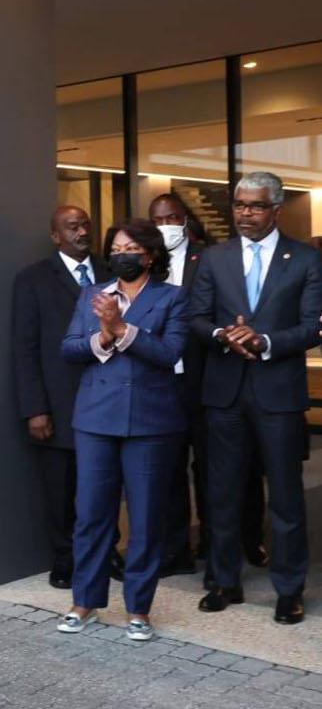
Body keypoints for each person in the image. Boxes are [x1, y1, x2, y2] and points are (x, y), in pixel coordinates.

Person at [190, 171, 322, 626]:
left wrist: (264, 340)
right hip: (225, 393)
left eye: (255, 206)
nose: (245, 213)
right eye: (239, 204)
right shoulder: (213, 258)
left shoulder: (305, 259)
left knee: (285, 497)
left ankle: (289, 590)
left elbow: (311, 327)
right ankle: (223, 581)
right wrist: (224, 335)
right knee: (222, 494)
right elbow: (196, 317)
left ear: (276, 209)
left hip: (278, 394)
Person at [57, 219, 188, 642]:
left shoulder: (173, 298)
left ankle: (138, 609)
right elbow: (70, 347)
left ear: (149, 255)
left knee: (146, 518)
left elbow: (169, 353)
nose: (121, 254)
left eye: (130, 247)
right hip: (96, 419)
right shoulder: (91, 295)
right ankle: (85, 602)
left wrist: (123, 329)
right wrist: (104, 335)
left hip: (151, 423)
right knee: (92, 514)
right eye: (115, 248)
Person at [11, 206, 110, 589]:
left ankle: (105, 552)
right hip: (58, 404)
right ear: (55, 236)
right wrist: (35, 409)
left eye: (86, 224)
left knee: (103, 485)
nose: (82, 231)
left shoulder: (111, 273)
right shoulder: (32, 280)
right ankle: (65, 558)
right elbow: (24, 348)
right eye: (72, 227)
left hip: (105, 401)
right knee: (61, 491)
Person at [148, 192, 205, 578]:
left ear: (185, 220)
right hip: (160, 383)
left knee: (212, 469)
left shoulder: (211, 260)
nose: (165, 226)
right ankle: (175, 551)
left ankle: (220, 545)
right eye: (158, 220)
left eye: (172, 218)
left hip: (202, 382)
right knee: (167, 472)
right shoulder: (145, 265)